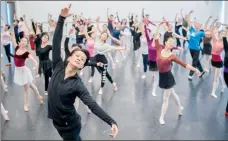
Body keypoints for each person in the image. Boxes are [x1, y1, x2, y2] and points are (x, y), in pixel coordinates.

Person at [48, 5, 118, 140]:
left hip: (70, 125)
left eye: (83, 59)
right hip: (56, 121)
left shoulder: (77, 85)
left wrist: (111, 122)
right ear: (69, 57)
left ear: (81, 67)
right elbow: (56, 41)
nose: (80, 58)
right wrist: (62, 17)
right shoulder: (57, 66)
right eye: (77, 55)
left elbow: (92, 104)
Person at [155, 21, 200, 125]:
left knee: (165, 98)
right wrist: (158, 26)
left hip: (168, 77)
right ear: (166, 42)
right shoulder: (159, 48)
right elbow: (156, 36)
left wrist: (195, 69)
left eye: (173, 43)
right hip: (161, 76)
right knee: (173, 94)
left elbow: (184, 65)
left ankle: (161, 117)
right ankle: (180, 107)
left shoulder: (172, 56)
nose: (171, 44)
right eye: (170, 42)